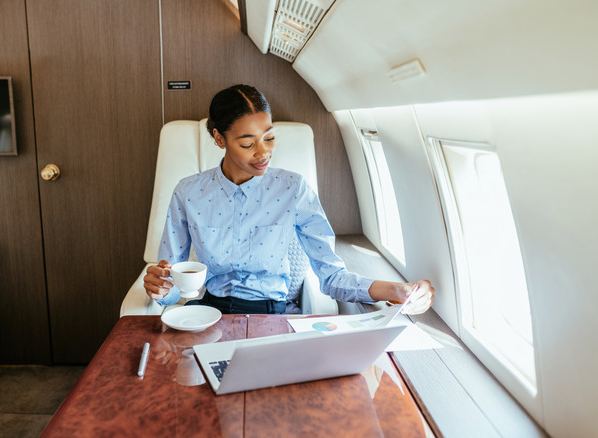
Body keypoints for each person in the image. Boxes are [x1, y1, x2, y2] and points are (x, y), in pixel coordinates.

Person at [143, 84, 434, 315]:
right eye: (248, 143)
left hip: (272, 315)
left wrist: (395, 291)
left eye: (269, 138)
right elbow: (172, 284)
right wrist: (160, 288)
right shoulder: (188, 192)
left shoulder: (293, 189)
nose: (263, 152)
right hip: (208, 314)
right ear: (220, 139)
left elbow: (331, 276)